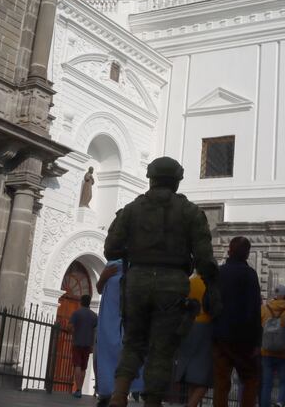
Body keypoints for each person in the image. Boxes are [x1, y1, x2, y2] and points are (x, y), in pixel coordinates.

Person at [104, 156, 218, 407]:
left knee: (133, 341)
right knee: (162, 349)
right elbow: (204, 259)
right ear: (177, 181)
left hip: (137, 280)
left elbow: (111, 249)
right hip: (172, 284)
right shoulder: (190, 212)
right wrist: (212, 286)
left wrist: (134, 251)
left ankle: (119, 394)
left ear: (151, 179)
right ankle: (152, 401)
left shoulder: (132, 210)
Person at [212, 236, 262, 407]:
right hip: (244, 339)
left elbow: (208, 303)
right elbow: (255, 309)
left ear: (229, 251)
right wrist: (256, 342)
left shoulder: (218, 273)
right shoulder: (250, 275)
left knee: (221, 381)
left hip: (221, 336)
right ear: (247, 254)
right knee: (250, 379)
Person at [94, 261, 144, 407]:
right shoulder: (113, 265)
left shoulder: (136, 264)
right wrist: (103, 277)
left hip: (128, 315)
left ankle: (120, 391)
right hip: (111, 314)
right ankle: (107, 392)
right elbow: (99, 288)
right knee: (109, 350)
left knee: (125, 350)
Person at [175, 271, 215, 407]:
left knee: (193, 376)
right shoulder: (211, 283)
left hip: (188, 325)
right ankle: (191, 405)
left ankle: (190, 403)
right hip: (206, 326)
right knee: (205, 377)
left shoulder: (189, 282)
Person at [260, 284, 285, 407]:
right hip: (283, 354)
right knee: (284, 382)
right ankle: (279, 403)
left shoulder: (264, 309)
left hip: (266, 352)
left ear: (274, 296)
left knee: (266, 384)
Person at [68, 294, 98, 398]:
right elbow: (96, 330)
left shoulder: (76, 313)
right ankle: (80, 389)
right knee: (84, 368)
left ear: (81, 302)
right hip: (88, 344)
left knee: (77, 365)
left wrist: (73, 331)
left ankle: (78, 389)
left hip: (77, 343)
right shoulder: (94, 316)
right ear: (89, 303)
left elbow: (70, 327)